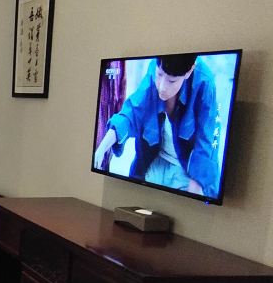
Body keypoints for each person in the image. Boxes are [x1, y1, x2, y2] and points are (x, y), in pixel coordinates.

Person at [93, 53, 221, 197]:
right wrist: (103, 146)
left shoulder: (205, 82)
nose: (162, 87)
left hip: (185, 167)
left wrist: (197, 182)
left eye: (171, 81)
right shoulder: (157, 64)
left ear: (189, 71)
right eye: (159, 75)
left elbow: (208, 139)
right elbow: (134, 110)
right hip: (154, 159)